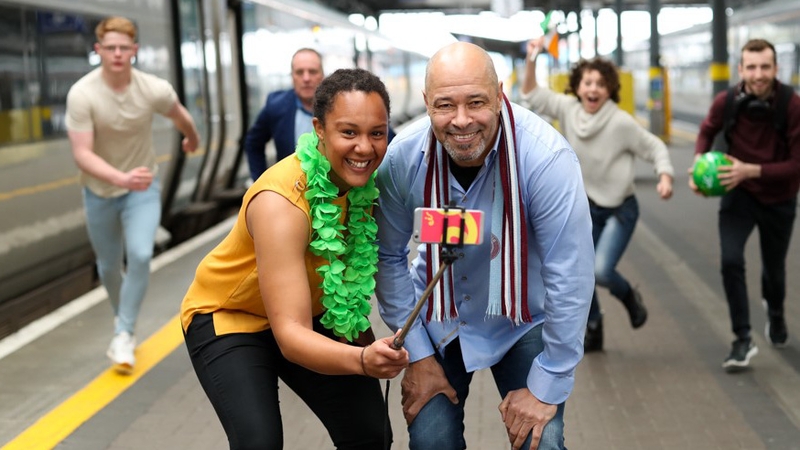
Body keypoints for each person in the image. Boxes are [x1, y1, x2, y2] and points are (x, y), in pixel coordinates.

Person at [374, 42, 594, 450]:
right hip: (440, 314)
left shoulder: (545, 159)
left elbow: (570, 274)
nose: (461, 121)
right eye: (444, 105)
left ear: (499, 95)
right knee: (430, 441)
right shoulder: (403, 159)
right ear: (425, 103)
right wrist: (419, 356)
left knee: (542, 442)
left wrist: (548, 386)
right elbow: (387, 257)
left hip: (521, 317)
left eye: (476, 102)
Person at [181, 68, 410, 450]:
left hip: (307, 311)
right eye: (348, 132)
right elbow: (291, 336)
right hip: (231, 315)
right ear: (319, 129)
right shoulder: (280, 203)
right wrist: (362, 360)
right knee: (260, 442)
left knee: (370, 434)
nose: (365, 148)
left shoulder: (366, 184)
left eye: (377, 133)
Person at [519, 37, 675, 353]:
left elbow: (654, 146)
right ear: (577, 86)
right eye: (588, 82)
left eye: (601, 84)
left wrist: (665, 175)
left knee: (601, 271)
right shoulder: (568, 108)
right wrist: (532, 58)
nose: (593, 89)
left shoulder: (620, 123)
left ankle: (629, 295)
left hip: (620, 209)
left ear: (609, 90)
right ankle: (593, 327)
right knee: (580, 271)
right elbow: (531, 93)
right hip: (585, 209)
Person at [66, 16, 200, 374]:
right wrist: (119, 178)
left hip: (142, 187)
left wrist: (192, 137)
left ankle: (123, 333)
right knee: (109, 266)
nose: (117, 54)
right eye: (110, 48)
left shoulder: (151, 88)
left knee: (139, 254)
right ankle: (122, 321)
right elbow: (82, 154)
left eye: (124, 48)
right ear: (99, 51)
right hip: (99, 191)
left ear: (135, 51)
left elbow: (179, 114)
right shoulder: (82, 94)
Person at [691, 38, 800, 372]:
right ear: (740, 70)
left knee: (774, 272)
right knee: (731, 261)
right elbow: (706, 132)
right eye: (751, 67)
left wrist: (751, 170)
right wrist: (697, 166)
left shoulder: (791, 105)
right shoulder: (727, 102)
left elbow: (797, 164)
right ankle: (742, 339)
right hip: (737, 194)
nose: (758, 74)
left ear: (776, 68)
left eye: (765, 66)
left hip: (779, 196)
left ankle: (776, 312)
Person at [244, 48, 324, 180]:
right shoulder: (276, 106)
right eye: (299, 72)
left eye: (312, 71)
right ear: (292, 76)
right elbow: (253, 143)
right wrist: (261, 183)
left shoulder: (336, 107)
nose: (306, 78)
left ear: (322, 75)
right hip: (290, 191)